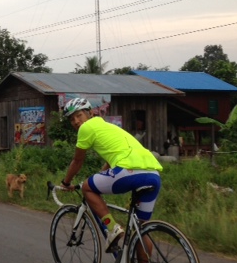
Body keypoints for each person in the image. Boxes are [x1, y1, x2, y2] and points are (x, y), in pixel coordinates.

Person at [59, 97, 163, 253]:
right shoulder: (109, 127)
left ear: (90, 113)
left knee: (87, 188)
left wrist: (66, 183)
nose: (75, 121)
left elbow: (77, 161)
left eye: (78, 115)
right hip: (153, 174)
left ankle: (112, 228)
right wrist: (101, 176)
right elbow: (110, 161)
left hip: (129, 171)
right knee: (141, 230)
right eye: (71, 119)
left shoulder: (86, 128)